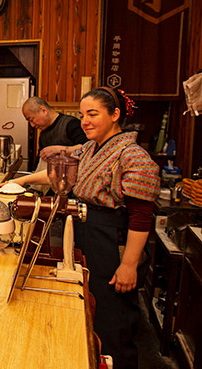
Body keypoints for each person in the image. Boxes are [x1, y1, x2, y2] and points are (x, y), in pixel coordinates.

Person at [73, 87, 160, 369]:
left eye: (92, 114)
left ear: (115, 115)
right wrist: (23, 183)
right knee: (93, 312)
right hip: (90, 233)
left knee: (114, 319)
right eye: (82, 114)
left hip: (114, 240)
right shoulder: (90, 148)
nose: (85, 121)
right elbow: (65, 167)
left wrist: (129, 265)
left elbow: (141, 216)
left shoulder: (133, 156)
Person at [4, 96, 87, 187]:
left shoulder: (71, 124)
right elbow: (39, 158)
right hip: (49, 185)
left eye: (32, 120)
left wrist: (58, 149)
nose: (32, 125)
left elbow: (86, 148)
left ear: (43, 110)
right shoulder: (43, 133)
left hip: (69, 186)